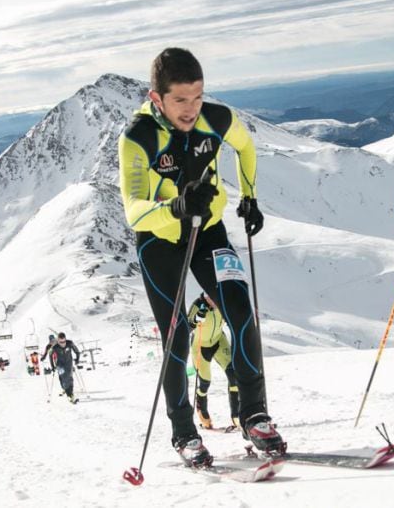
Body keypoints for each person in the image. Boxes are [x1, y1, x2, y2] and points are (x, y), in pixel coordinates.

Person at [118, 47, 283, 468]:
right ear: (157, 98)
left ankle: (254, 415)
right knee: (175, 336)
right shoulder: (137, 137)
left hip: (208, 230)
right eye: (180, 100)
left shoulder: (217, 119)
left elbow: (246, 149)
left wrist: (250, 197)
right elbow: (133, 207)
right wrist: (175, 207)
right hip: (159, 239)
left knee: (242, 313)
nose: (191, 109)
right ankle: (184, 433)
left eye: (197, 96)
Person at [187, 292, 240, 432]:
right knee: (205, 383)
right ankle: (202, 413)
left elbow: (232, 317)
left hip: (218, 341)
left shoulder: (222, 301)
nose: (215, 300)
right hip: (200, 346)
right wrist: (197, 319)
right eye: (211, 297)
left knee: (234, 376)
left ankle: (237, 415)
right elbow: (187, 326)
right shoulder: (198, 305)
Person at [48, 332, 80, 403]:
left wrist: (77, 359)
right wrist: (52, 366)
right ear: (58, 341)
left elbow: (77, 351)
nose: (63, 343)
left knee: (69, 378)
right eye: (61, 342)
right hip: (59, 365)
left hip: (69, 363)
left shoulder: (70, 343)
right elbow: (50, 355)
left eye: (64, 341)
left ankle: (70, 395)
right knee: (64, 378)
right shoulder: (55, 347)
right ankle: (65, 389)